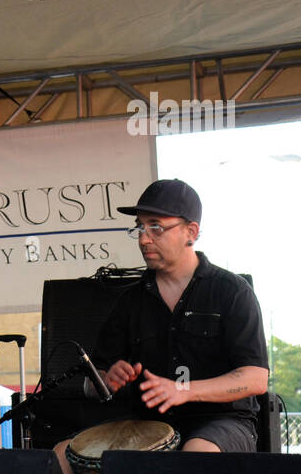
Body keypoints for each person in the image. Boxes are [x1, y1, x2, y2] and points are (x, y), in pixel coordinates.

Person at [90, 178, 269, 452]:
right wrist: (107, 379)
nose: (143, 238)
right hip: (147, 423)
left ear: (191, 232)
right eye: (140, 226)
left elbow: (254, 379)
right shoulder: (129, 302)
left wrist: (183, 390)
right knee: (64, 454)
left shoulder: (232, 292)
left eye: (156, 227)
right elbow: (96, 378)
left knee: (196, 453)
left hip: (222, 422)